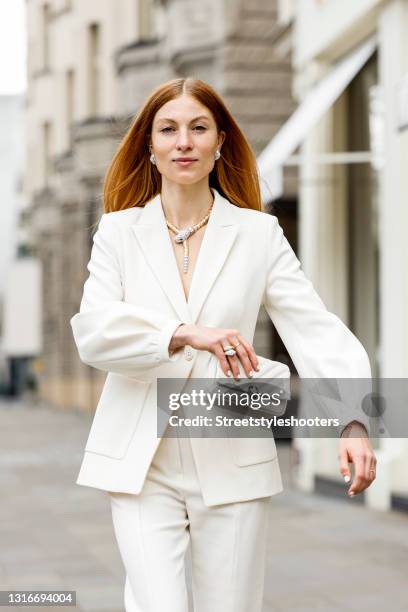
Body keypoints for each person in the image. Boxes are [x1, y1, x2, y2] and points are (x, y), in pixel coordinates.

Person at [70, 77, 377, 612]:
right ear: (150, 146)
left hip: (233, 453)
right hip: (141, 463)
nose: (183, 141)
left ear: (219, 145)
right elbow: (94, 331)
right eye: (168, 129)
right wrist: (179, 334)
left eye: (198, 128)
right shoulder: (117, 233)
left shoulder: (260, 234)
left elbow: (312, 325)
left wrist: (353, 420)